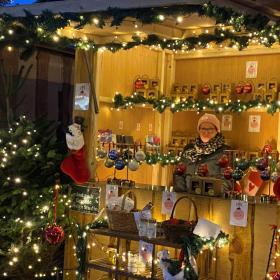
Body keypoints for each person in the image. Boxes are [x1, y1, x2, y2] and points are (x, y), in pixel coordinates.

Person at [173, 113, 229, 192]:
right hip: (186, 199)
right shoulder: (188, 150)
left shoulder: (224, 152)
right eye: (203, 128)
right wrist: (182, 193)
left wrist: (209, 191)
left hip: (211, 200)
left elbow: (227, 183)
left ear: (217, 130)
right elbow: (179, 175)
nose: (206, 132)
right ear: (199, 130)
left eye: (210, 129)